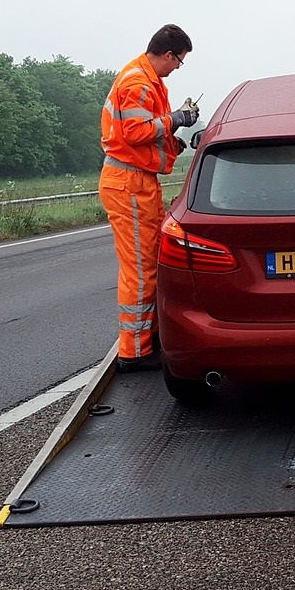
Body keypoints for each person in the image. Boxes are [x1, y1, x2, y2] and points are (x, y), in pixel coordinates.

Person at [99, 23, 199, 371]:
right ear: (169, 54)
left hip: (137, 181)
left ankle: (148, 339)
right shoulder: (138, 82)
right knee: (141, 270)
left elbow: (144, 133)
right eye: (179, 62)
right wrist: (175, 120)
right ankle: (135, 351)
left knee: (150, 262)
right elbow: (137, 131)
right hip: (128, 182)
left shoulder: (147, 80)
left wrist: (173, 138)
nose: (177, 68)